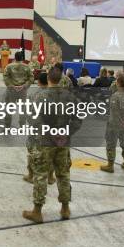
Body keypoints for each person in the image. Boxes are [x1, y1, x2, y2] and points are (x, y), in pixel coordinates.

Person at [23, 68, 82, 223]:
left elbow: (32, 118)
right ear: (61, 79)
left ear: (48, 79)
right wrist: (67, 133)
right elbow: (78, 118)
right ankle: (65, 208)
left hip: (45, 142)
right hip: (63, 141)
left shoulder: (39, 96)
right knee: (63, 174)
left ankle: (37, 211)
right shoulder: (70, 97)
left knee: (41, 174)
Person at [100, 76, 124, 173]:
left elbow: (114, 112)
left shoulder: (115, 96)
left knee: (111, 144)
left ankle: (110, 165)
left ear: (118, 83)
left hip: (114, 125)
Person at [3, 51, 33, 128]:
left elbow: (5, 77)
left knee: (9, 108)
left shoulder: (9, 66)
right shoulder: (27, 67)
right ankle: (22, 126)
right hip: (23, 91)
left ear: (15, 57)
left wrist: (11, 86)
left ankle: (7, 126)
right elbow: (31, 78)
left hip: (11, 90)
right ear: (22, 58)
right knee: (23, 109)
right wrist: (24, 86)